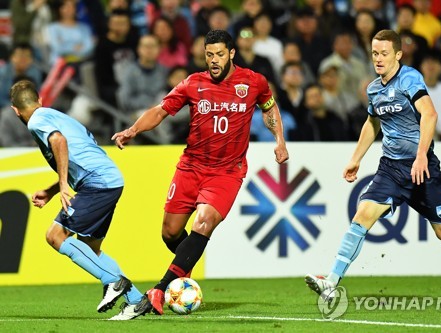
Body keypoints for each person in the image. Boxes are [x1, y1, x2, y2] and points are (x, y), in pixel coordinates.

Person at [304, 29, 441, 296]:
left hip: (423, 168)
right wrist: (355, 159)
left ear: (398, 54)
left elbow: (429, 115)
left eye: (384, 53)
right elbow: (372, 123)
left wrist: (421, 157)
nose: (378, 59)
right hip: (391, 169)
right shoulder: (374, 89)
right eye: (374, 53)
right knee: (362, 215)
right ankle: (332, 281)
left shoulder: (409, 79)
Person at [111, 29, 289, 318]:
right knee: (170, 234)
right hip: (191, 167)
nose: (214, 60)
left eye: (219, 54)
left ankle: (159, 290)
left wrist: (279, 140)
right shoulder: (194, 83)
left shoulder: (253, 81)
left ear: (232, 53)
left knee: (204, 223)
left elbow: (269, 108)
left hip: (227, 172)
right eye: (209, 55)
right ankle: (184, 266)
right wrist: (133, 130)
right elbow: (160, 110)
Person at [8, 79, 150, 320]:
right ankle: (137, 300)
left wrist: (63, 185)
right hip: (109, 179)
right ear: (40, 99)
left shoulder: (37, 121)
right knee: (91, 249)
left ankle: (113, 282)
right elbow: (76, 153)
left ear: (15, 110)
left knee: (55, 236)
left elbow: (59, 142)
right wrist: (52, 190)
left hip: (97, 182)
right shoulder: (55, 115)